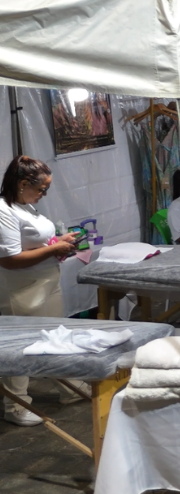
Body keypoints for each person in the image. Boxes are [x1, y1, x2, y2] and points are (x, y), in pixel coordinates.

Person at [0, 157, 85, 426]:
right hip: (21, 288)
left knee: (54, 336)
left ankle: (68, 387)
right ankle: (15, 405)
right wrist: (54, 249)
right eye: (41, 189)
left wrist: (58, 241)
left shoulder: (25, 206)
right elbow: (9, 259)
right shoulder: (3, 211)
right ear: (23, 183)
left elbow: (33, 243)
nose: (44, 194)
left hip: (46, 282)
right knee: (22, 346)